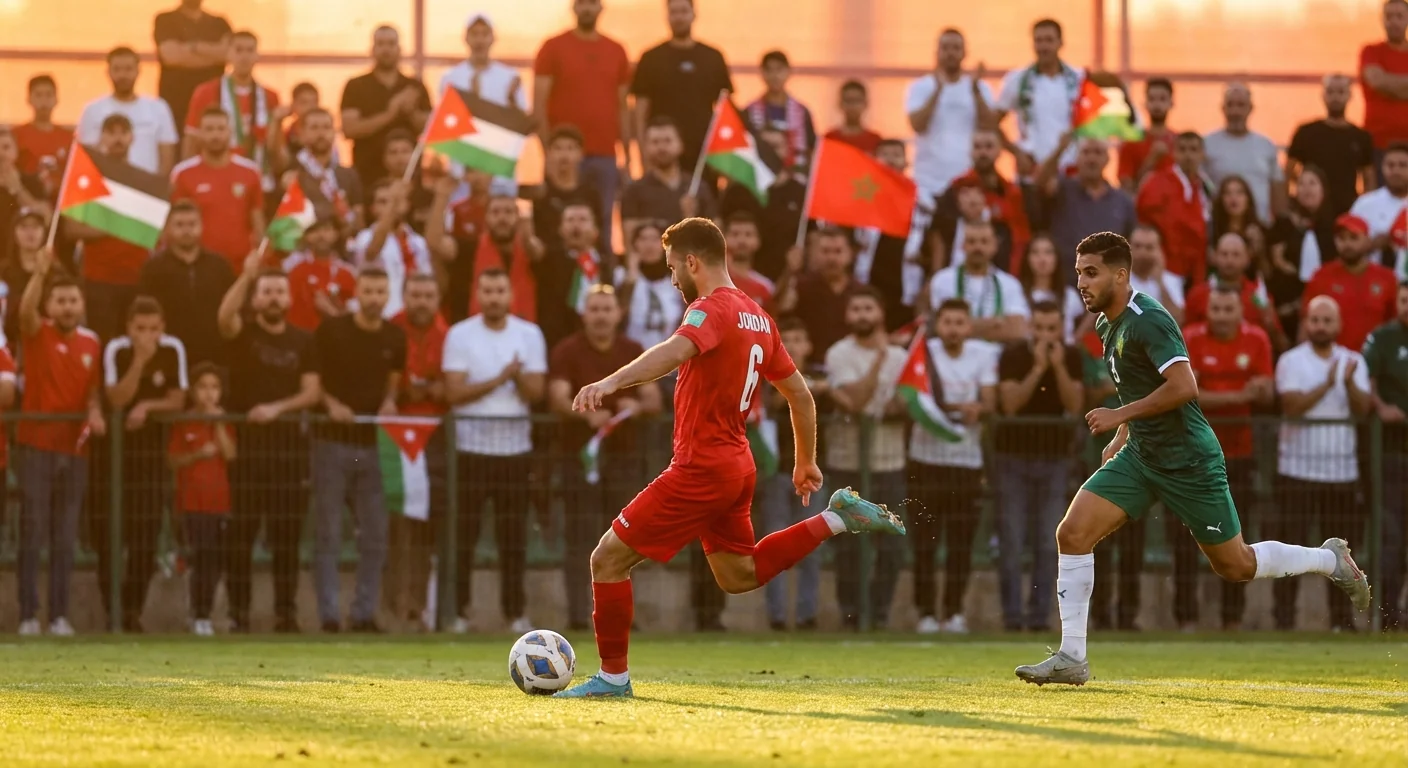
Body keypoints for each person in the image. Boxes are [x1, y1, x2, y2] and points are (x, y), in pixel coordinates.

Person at [554, 218, 905, 698]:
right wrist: (806, 462)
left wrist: (610, 382)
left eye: (673, 267)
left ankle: (613, 678)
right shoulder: (759, 316)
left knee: (607, 559)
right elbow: (801, 396)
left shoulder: (711, 308)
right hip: (737, 466)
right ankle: (837, 520)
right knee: (739, 575)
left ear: (692, 261)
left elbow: (676, 350)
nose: (673, 278)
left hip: (701, 467)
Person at [1014, 231, 1372, 686]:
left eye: (1091, 272)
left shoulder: (1149, 319)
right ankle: (1072, 658)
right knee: (1073, 532)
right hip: (1143, 455)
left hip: (1189, 461)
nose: (1081, 282)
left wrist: (1118, 415)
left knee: (1236, 565)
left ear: (1121, 275)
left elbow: (1185, 387)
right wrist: (1126, 432)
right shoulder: (1107, 322)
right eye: (1078, 272)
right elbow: (1141, 385)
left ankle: (1329, 560)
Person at [217, 255, 321, 633]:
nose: (274, 298)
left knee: (286, 541)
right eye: (267, 292)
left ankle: (285, 615)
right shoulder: (242, 333)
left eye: (279, 291)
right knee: (240, 538)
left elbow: (312, 392)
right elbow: (223, 318)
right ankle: (238, 614)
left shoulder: (304, 341)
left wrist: (277, 408)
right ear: (256, 299)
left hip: (289, 456)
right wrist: (245, 276)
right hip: (246, 454)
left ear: (289, 299)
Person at [548, 286, 661, 631]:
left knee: (627, 541)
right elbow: (557, 398)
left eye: (606, 309)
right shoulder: (568, 351)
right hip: (579, 460)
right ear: (584, 313)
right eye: (594, 309)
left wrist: (637, 406)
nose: (600, 315)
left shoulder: (633, 351)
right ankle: (579, 616)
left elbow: (654, 400)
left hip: (624, 459)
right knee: (580, 537)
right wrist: (585, 415)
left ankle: (624, 616)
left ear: (618, 313)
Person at [442, 269, 548, 634]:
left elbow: (535, 392)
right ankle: (457, 613)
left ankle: (515, 612)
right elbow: (453, 394)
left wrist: (515, 377)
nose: (492, 297)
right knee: (464, 536)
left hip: (514, 452)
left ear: (510, 294)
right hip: (469, 451)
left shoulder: (529, 334)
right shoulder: (459, 335)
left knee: (513, 538)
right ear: (477, 293)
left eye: (499, 290)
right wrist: (502, 378)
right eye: (486, 290)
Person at [15, 248, 105, 637]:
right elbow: (23, 313)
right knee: (33, 529)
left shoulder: (92, 343)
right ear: (50, 305)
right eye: (60, 301)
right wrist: (38, 274)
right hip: (36, 445)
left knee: (65, 534)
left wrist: (96, 410)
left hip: (75, 449)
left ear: (82, 304)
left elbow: (93, 391)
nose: (67, 307)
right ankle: (28, 614)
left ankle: (60, 615)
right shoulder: (38, 334)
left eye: (73, 300)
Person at [312, 267, 405, 634]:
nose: (374, 297)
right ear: (357, 292)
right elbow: (314, 384)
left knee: (376, 535)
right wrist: (331, 404)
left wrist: (390, 403)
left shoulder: (395, 336)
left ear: (387, 294)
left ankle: (364, 613)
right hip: (332, 443)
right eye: (368, 290)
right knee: (328, 533)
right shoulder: (332, 331)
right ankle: (329, 616)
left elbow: (393, 385)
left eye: (381, 291)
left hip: (374, 447)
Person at [1274, 296, 1373, 631]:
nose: (1320, 326)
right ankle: (1283, 620)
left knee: (1342, 556)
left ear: (1338, 324)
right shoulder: (1290, 361)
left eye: (1327, 320)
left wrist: (1345, 382)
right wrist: (1328, 383)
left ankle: (1342, 621)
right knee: (1291, 548)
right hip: (1297, 471)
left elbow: (1363, 411)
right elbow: (1291, 407)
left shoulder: (1354, 361)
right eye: (1315, 320)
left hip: (1341, 473)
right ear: (1306, 322)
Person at [1183, 287, 1273, 632]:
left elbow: (1265, 390)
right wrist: (1239, 394)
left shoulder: (1258, 339)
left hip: (1240, 455)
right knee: (1185, 541)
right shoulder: (1191, 338)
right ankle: (1186, 618)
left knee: (1238, 540)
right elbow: (1185, 392)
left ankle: (1233, 619)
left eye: (1227, 309)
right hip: (1195, 454)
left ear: (1240, 311)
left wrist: (1209, 394)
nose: (1221, 315)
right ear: (1208, 310)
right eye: (1215, 308)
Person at [98, 296, 189, 633]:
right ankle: (113, 611)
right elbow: (117, 398)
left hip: (152, 458)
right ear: (128, 328)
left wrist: (148, 406)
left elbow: (177, 401)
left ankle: (133, 610)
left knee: (145, 537)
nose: (147, 336)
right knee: (111, 537)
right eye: (140, 329)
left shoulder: (173, 349)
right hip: (115, 457)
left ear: (162, 328)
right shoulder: (117, 350)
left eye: (153, 329)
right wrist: (138, 361)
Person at [994, 300, 1083, 632]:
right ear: (1031, 327)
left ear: (1061, 329)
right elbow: (1010, 405)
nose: (1046, 336)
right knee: (1013, 540)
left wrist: (1057, 368)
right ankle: (1012, 618)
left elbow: (1075, 406)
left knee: (1049, 542)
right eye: (1040, 328)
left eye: (1052, 329)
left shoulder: (1072, 357)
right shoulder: (1013, 356)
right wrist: (1036, 368)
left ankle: (1039, 617)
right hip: (1013, 459)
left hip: (1055, 458)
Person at [908, 299, 995, 634]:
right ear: (938, 324)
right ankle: (926, 613)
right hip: (925, 460)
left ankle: (954, 612)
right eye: (948, 322)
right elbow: (911, 395)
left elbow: (990, 401)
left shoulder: (982, 354)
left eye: (960, 322)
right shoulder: (921, 352)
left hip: (966, 462)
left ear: (968, 326)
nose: (954, 329)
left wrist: (978, 410)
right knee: (925, 543)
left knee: (961, 543)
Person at [825, 287, 908, 629]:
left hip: (889, 462)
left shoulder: (903, 357)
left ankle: (879, 613)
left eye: (868, 308)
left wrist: (897, 404)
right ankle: (850, 613)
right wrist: (878, 361)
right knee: (847, 547)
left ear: (880, 314)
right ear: (848, 316)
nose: (862, 315)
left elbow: (909, 401)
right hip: (847, 463)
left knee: (890, 545)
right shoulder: (838, 353)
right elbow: (856, 401)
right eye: (856, 309)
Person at [383, 273, 448, 632]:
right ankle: (392, 608)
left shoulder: (447, 335)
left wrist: (433, 389)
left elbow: (450, 385)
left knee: (425, 528)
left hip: (434, 439)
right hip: (393, 440)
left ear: (436, 298)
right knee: (394, 526)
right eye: (415, 295)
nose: (421, 301)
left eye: (428, 295)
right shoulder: (391, 330)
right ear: (405, 296)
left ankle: (420, 609)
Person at [533, 0, 632, 226]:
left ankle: (602, 262)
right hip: (564, 156)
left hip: (605, 155)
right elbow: (538, 106)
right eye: (582, 3)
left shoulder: (617, 51)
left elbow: (623, 107)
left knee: (602, 219)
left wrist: (627, 156)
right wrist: (547, 153)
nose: (587, 8)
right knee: (555, 221)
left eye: (592, 3)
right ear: (573, 8)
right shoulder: (552, 47)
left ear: (601, 8)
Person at [757, 316, 827, 630]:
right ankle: (776, 616)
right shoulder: (763, 377)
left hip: (811, 476)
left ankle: (807, 614)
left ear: (810, 345)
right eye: (788, 341)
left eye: (800, 340)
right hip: (776, 474)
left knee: (811, 547)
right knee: (772, 546)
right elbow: (776, 400)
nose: (795, 347)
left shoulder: (821, 377)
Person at [66, 114, 151, 343]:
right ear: (102, 137)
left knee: (132, 346)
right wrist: (110, 227)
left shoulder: (143, 180)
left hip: (136, 278)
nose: (117, 139)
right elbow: (70, 229)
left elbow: (152, 234)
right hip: (99, 280)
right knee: (100, 343)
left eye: (123, 133)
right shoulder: (87, 179)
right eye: (111, 133)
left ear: (132, 138)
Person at [166, 362, 234, 637]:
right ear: (194, 391)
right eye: (203, 387)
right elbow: (172, 460)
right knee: (198, 558)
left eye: (214, 387)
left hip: (219, 503)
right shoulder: (184, 421)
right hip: (191, 503)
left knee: (214, 560)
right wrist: (197, 455)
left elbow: (230, 454)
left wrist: (217, 425)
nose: (209, 394)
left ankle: (206, 613)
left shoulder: (225, 421)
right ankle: (196, 613)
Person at [630, 0, 733, 174]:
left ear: (694, 14)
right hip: (662, 151)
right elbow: (640, 113)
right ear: (667, 16)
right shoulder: (651, 58)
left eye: (683, 12)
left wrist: (726, 160)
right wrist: (643, 155)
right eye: (674, 12)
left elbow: (726, 112)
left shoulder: (713, 57)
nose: (679, 18)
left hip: (704, 155)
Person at [136, 200, 235, 367]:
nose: (187, 230)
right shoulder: (153, 268)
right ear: (168, 228)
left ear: (202, 226)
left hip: (215, 353)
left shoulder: (220, 266)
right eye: (179, 225)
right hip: (169, 353)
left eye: (192, 224)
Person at [181, 30, 280, 195]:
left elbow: (275, 148)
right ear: (228, 54)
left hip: (259, 183)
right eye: (239, 50)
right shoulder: (206, 92)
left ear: (257, 55)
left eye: (250, 50)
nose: (244, 56)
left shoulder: (270, 97)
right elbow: (191, 141)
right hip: (214, 181)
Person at [1362, 282, 1408, 629]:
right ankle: (1389, 615)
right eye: (1404, 300)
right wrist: (1381, 407)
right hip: (1392, 454)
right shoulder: (1383, 337)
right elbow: (1368, 380)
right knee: (1390, 536)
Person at [169, 107, 266, 270]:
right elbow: (173, 223)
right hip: (198, 267)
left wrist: (260, 258)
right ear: (199, 133)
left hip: (240, 266)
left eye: (221, 129)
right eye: (209, 129)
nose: (215, 135)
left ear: (230, 132)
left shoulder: (250, 172)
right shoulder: (183, 173)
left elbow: (258, 221)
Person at [906, 29, 994, 201]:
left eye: (955, 48)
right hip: (927, 180)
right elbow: (917, 125)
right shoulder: (921, 86)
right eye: (945, 48)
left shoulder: (980, 87)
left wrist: (975, 91)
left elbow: (990, 126)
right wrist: (937, 91)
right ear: (937, 53)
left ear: (964, 53)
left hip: (967, 177)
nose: (950, 53)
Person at [339, 26, 432, 190]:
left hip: (409, 178)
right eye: (381, 44)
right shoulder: (356, 86)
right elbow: (350, 129)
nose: (386, 49)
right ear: (372, 50)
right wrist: (390, 113)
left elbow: (431, 130)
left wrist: (411, 112)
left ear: (400, 49)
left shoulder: (415, 87)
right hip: (366, 175)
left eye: (391, 44)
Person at [996, 19, 1083, 179]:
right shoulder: (1018, 79)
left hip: (1070, 169)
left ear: (1060, 43)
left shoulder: (1079, 79)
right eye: (1038, 41)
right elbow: (992, 122)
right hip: (1032, 168)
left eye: (1049, 40)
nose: (1044, 47)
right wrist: (1015, 152)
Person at [1039, 133, 1137, 272]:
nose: (1091, 159)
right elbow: (1040, 182)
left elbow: (1130, 245)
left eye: (1098, 153)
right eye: (1086, 152)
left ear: (1107, 159)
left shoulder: (1123, 202)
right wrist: (1059, 150)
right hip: (1064, 282)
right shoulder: (1062, 189)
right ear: (1077, 159)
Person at [1303, 214, 1399, 352]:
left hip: (1376, 361)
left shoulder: (1387, 278)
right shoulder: (1322, 276)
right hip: (1332, 360)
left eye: (1354, 238)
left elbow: (1396, 324)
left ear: (1367, 240)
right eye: (1341, 238)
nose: (1347, 244)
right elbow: (1306, 322)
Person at [78, 47, 179, 177]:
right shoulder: (92, 110)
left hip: (146, 188)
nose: (123, 75)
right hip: (107, 188)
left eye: (128, 69)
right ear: (108, 72)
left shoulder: (158, 108)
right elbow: (87, 157)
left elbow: (167, 158)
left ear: (138, 71)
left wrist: (156, 189)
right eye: (117, 69)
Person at [926, 220, 1030, 344]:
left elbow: (1017, 330)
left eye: (984, 242)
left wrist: (962, 327)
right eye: (972, 242)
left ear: (995, 246)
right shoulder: (943, 280)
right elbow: (938, 328)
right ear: (963, 245)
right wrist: (994, 324)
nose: (978, 247)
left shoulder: (1009, 284)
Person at [1287, 75, 1376, 218]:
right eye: (1330, 92)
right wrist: (1307, 187)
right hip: (1311, 212)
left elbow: (1368, 178)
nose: (1335, 97)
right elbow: (1288, 170)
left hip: (1347, 210)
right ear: (1323, 95)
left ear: (1349, 96)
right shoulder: (1306, 132)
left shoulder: (1361, 137)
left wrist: (1366, 209)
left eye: (1341, 92)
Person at [1267, 165, 1337, 335]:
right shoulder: (1283, 224)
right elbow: (1276, 261)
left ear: (1323, 190)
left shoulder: (1334, 226)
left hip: (1326, 298)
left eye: (1312, 183)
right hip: (1288, 300)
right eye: (1301, 184)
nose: (1307, 189)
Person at [1203, 83, 1286, 223]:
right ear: (1223, 108)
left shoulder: (1266, 146)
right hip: (1219, 227)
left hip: (1259, 228)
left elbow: (1276, 188)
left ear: (1250, 108)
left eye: (1241, 105)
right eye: (1231, 105)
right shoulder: (1207, 144)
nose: (1235, 111)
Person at [1183, 233, 1284, 348]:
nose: (1229, 260)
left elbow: (1281, 345)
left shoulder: (1259, 298)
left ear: (1247, 258)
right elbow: (1184, 338)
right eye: (1224, 254)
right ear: (1214, 257)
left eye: (1236, 255)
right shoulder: (1198, 295)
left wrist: (1271, 327)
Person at [1135, 132, 1209, 285]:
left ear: (1202, 154)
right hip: (1166, 269)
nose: (1188, 155)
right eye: (1182, 149)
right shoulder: (1158, 183)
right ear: (1174, 153)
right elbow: (1145, 221)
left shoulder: (1205, 187)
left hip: (1196, 269)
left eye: (1193, 150)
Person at [352, 180, 433, 319]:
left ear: (407, 205)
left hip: (413, 318)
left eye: (398, 200)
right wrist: (394, 202)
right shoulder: (364, 237)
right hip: (383, 315)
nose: (392, 205)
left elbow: (426, 279)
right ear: (373, 209)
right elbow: (372, 251)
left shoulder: (419, 242)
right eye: (383, 201)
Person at [621, 117, 714, 235]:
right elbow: (630, 238)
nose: (661, 148)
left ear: (681, 145)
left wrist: (692, 218)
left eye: (668, 141)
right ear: (645, 147)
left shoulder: (698, 187)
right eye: (655, 142)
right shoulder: (634, 191)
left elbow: (716, 236)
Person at [775, 227, 860, 356]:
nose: (831, 258)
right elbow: (780, 307)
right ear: (814, 253)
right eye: (825, 251)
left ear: (850, 254)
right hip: (808, 365)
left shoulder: (859, 291)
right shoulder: (800, 285)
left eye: (838, 251)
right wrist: (789, 271)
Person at [528, 126, 606, 254]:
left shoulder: (591, 193)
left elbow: (598, 233)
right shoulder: (538, 192)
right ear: (548, 153)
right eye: (558, 148)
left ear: (580, 154)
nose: (564, 155)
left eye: (570, 148)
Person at [153, 0, 231, 129]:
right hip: (175, 104)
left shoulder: (220, 23)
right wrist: (212, 55)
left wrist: (193, 48)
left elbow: (227, 54)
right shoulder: (165, 20)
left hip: (214, 103)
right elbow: (171, 56)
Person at [617, 221, 685, 351]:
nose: (649, 245)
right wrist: (631, 279)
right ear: (634, 245)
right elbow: (618, 314)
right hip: (631, 355)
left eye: (655, 239)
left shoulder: (677, 280)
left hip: (670, 356)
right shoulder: (621, 276)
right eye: (643, 239)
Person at [744, 51, 816, 172]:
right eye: (769, 70)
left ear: (788, 72)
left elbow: (812, 149)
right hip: (761, 178)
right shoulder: (749, 112)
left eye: (779, 70)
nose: (774, 75)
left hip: (795, 178)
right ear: (762, 73)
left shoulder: (802, 112)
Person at [282, 216, 356, 332]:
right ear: (306, 236)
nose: (321, 235)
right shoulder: (293, 268)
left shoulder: (347, 272)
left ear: (336, 234)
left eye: (326, 229)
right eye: (315, 230)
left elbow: (354, 314)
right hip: (300, 336)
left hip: (334, 339)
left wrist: (332, 311)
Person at [1358, 0, 1408, 171]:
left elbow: (1385, 84)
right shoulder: (1371, 52)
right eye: (1389, 16)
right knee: (1378, 196)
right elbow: (1377, 82)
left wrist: (1391, 85)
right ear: (1382, 20)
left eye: (1399, 16)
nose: (1394, 21)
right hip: (1378, 144)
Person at [1348, 141, 1408, 274]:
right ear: (1382, 167)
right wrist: (1373, 244)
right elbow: (1345, 246)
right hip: (1371, 283)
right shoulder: (1365, 204)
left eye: (1403, 165)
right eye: (1390, 165)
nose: (1396, 171)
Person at [1017, 235, 1088, 342]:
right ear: (1027, 258)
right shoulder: (1016, 292)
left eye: (1048, 252)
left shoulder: (1070, 295)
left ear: (1057, 258)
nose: (1042, 259)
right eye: (1035, 252)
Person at [13, 75, 73, 199]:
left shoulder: (68, 137)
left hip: (60, 201)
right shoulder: (16, 135)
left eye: (48, 95)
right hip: (28, 199)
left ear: (56, 99)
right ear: (29, 99)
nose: (44, 101)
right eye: (38, 95)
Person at [1118, 78, 1176, 193]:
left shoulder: (1181, 144)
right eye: (1152, 99)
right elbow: (1127, 190)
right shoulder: (1131, 143)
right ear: (1145, 103)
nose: (1157, 105)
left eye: (1162, 99)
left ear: (1171, 103)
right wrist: (1151, 160)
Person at [1210, 175, 1269, 279]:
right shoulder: (1212, 229)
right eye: (1228, 193)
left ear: (1248, 199)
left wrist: (1258, 250)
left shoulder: (1261, 230)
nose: (1233, 198)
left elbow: (1267, 272)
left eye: (1239, 193)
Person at [1126, 225, 1185, 324]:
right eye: (1137, 246)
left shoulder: (1172, 280)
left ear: (1159, 250)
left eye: (1149, 247)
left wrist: (1160, 282)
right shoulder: (1117, 278)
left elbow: (1178, 321)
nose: (1142, 252)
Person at [723, 211, 774, 306]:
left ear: (758, 241)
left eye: (748, 234)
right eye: (735, 234)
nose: (741, 240)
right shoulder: (714, 279)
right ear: (724, 239)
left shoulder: (765, 288)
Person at [825, 80, 882, 155]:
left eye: (857, 101)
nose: (852, 106)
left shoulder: (876, 140)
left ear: (865, 104)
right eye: (848, 101)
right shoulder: (829, 139)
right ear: (840, 104)